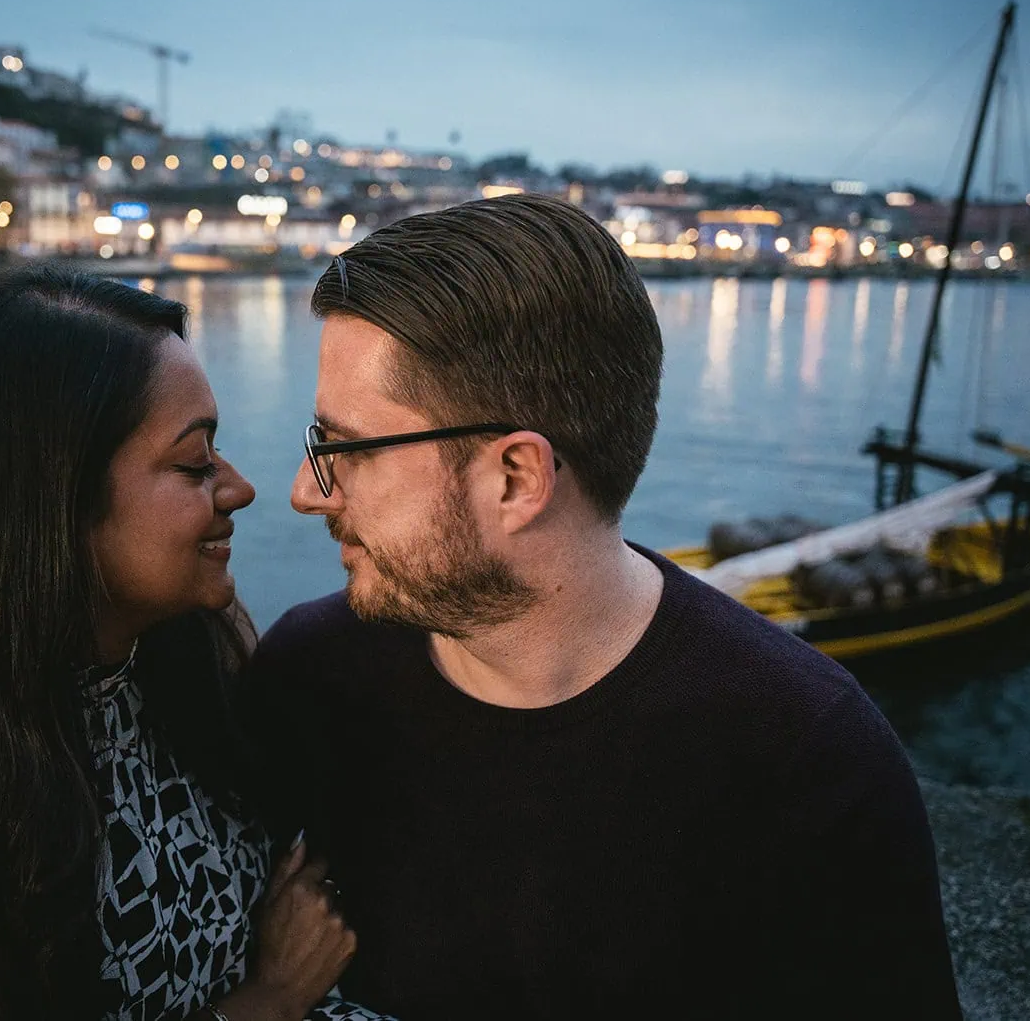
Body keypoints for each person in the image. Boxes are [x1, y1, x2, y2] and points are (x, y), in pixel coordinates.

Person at [245, 194, 962, 1019]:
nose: (306, 491)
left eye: (343, 450)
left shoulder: (806, 762)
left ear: (516, 477)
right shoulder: (309, 675)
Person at [0, 267, 384, 1020]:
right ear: (50, 499)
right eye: (194, 463)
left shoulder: (193, 644)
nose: (239, 488)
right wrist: (272, 997)